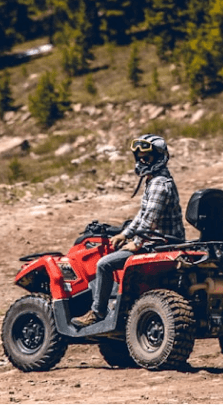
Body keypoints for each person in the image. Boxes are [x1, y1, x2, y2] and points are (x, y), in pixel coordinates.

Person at [71, 134, 185, 328]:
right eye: (139, 156)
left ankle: (97, 313)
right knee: (115, 252)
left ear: (159, 157)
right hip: (158, 240)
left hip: (158, 244)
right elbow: (142, 215)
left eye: (146, 157)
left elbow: (150, 220)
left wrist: (137, 243)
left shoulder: (159, 184)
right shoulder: (155, 180)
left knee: (104, 264)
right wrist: (125, 234)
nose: (142, 160)